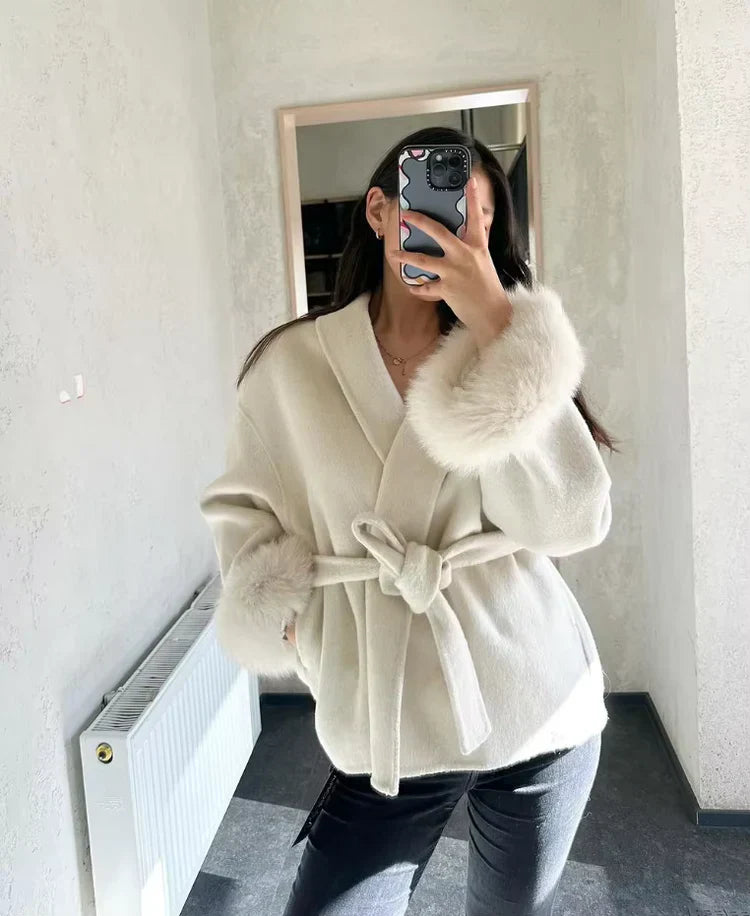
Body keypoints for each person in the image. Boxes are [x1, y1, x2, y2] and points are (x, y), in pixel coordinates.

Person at [200, 126, 616, 916]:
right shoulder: (289, 367)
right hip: (384, 717)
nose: (461, 233)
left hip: (535, 701)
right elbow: (243, 506)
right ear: (381, 212)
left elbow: (572, 521)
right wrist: (278, 607)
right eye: (439, 209)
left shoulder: (512, 354)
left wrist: (500, 330)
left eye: (479, 219)